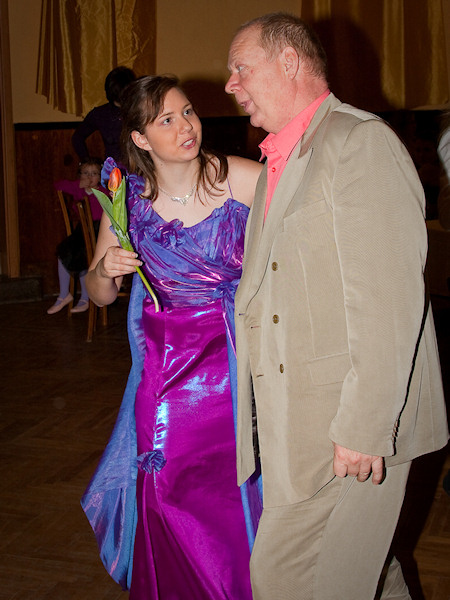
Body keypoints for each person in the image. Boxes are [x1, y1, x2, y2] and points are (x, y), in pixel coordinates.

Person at [225, 12, 449, 600]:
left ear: (290, 62)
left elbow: (389, 303)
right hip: (297, 423)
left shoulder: (358, 144)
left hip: (345, 427)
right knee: (365, 572)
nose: (230, 84)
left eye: (240, 68)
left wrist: (365, 426)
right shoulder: (280, 159)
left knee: (284, 577)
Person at [82, 75, 263, 598]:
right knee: (164, 494)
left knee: (240, 497)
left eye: (188, 112)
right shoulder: (127, 202)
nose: (186, 126)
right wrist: (105, 270)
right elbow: (99, 294)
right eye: (167, 119)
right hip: (166, 381)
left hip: (237, 370)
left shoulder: (243, 179)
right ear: (140, 138)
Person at [48, 157, 107, 314]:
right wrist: (77, 184)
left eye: (94, 173)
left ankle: (85, 298)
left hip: (100, 232)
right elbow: (57, 185)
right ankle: (64, 294)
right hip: (82, 231)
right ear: (79, 175)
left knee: (86, 255)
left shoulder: (103, 192)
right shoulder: (78, 189)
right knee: (64, 252)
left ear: (100, 177)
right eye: (85, 173)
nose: (89, 177)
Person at [72, 66, 136, 164]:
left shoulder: (139, 111)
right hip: (112, 168)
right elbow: (77, 137)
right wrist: (86, 161)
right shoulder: (101, 114)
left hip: (139, 168)